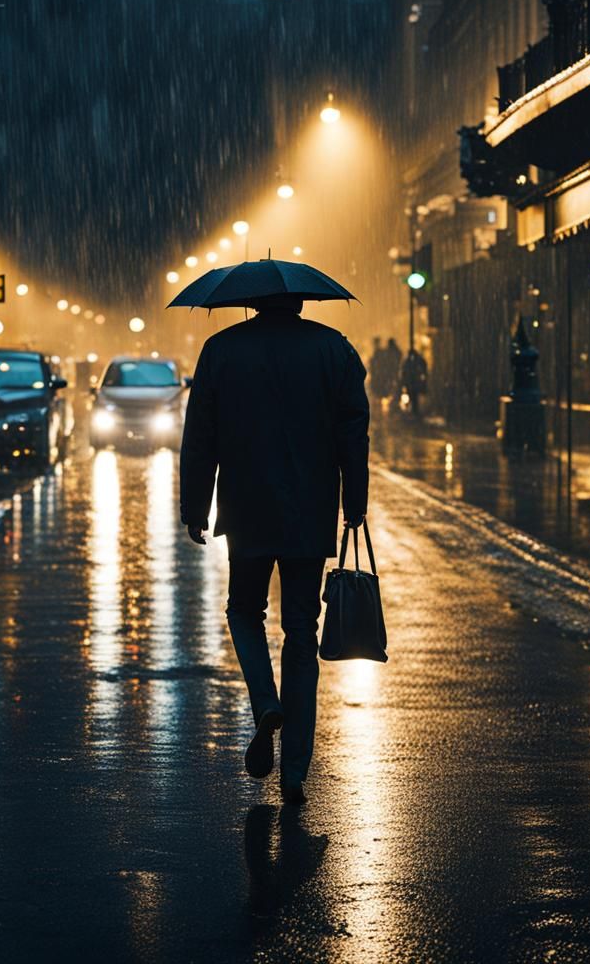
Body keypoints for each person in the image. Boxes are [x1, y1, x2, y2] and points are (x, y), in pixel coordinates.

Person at [179, 292, 370, 805]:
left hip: (247, 504)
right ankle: (294, 773)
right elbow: (354, 431)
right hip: (310, 506)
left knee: (244, 610)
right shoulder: (335, 350)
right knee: (301, 632)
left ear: (253, 302)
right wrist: (355, 499)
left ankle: (265, 702)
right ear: (302, 301)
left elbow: (200, 434)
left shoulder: (221, 350)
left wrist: (196, 505)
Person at [400, 346, 428, 416]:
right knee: (413, 396)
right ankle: (414, 410)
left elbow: (404, 372)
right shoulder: (413, 361)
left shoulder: (410, 362)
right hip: (413, 383)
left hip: (413, 383)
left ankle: (414, 411)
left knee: (413, 396)